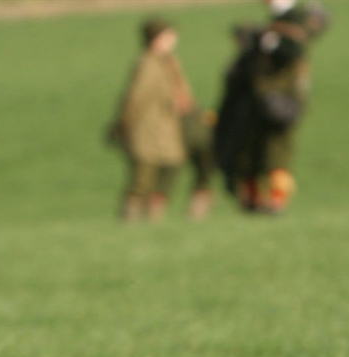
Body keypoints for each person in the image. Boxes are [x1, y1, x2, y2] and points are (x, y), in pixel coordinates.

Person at [214, 0, 329, 213]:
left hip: (280, 101)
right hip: (260, 103)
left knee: (276, 154)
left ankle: (277, 201)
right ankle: (254, 200)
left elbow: (292, 50)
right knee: (250, 154)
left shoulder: (292, 23)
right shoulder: (282, 24)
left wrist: (269, 42)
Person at [110, 18, 197, 222]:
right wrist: (124, 125)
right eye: (169, 36)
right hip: (148, 129)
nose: (174, 40)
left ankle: (153, 216)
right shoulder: (148, 64)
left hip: (168, 129)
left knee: (170, 169)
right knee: (142, 178)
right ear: (157, 39)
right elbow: (135, 99)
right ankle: (131, 217)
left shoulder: (169, 62)